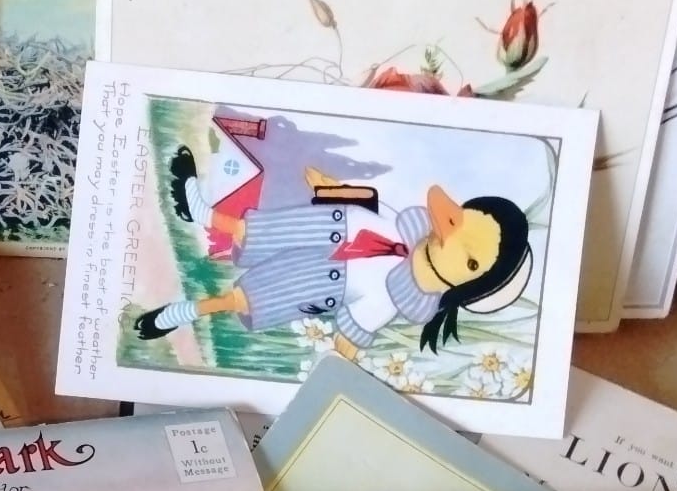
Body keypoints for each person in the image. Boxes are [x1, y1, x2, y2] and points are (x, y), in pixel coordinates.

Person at [133, 144, 533, 358]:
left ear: (469, 285)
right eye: (461, 218)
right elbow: (374, 206)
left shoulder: (398, 297)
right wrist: (333, 189)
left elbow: (359, 323)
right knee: (258, 230)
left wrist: (347, 353)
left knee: (245, 296)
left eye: (471, 260)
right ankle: (203, 213)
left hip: (323, 280)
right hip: (330, 225)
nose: (452, 232)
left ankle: (184, 312)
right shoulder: (409, 225)